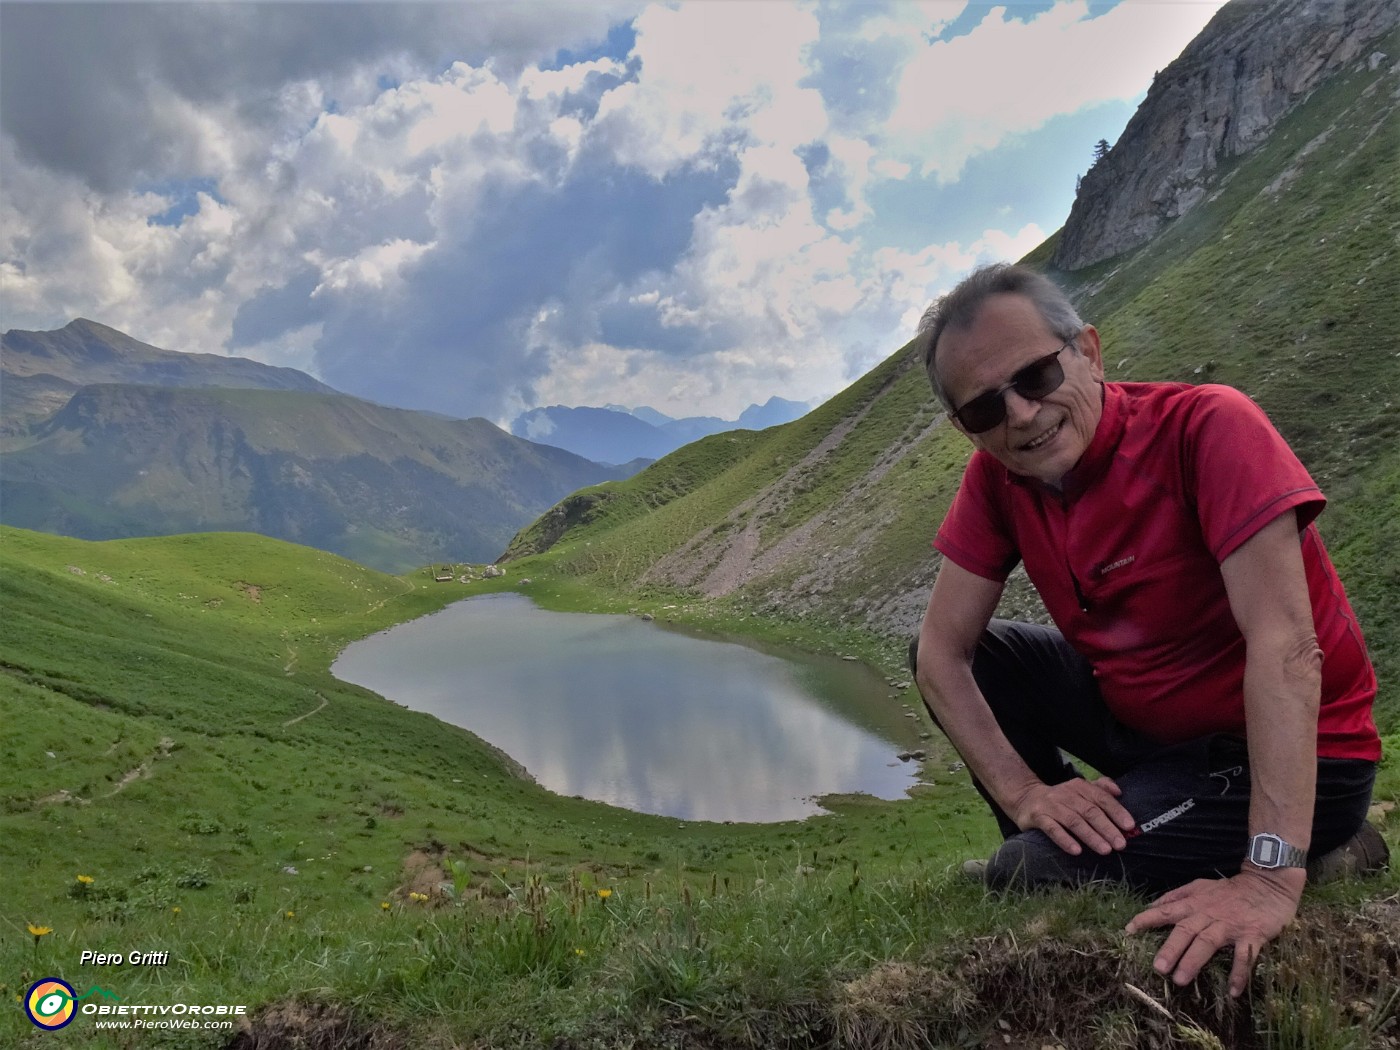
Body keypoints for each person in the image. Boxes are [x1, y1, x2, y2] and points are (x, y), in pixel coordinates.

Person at [909, 263, 1385, 998]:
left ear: (1089, 351)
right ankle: (1067, 840)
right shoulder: (998, 479)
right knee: (991, 664)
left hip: (1287, 753)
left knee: (1028, 875)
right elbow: (943, 653)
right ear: (964, 428)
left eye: (1036, 375)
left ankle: (1320, 850)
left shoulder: (1208, 428)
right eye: (983, 411)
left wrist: (1267, 877)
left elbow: (1287, 649)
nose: (1022, 417)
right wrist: (1029, 794)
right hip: (1148, 727)